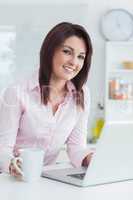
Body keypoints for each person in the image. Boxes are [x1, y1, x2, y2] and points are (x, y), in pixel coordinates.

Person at [0, 22, 93, 178]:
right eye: (67, 52)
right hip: (12, 177)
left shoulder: (82, 94)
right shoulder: (16, 93)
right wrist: (13, 165)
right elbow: (3, 148)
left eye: (81, 56)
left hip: (48, 179)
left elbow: (76, 147)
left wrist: (90, 159)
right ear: (50, 51)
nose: (74, 62)